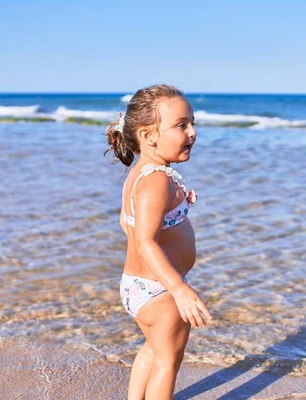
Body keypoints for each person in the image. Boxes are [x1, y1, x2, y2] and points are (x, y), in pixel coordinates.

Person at [105, 84, 212, 399]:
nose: (192, 132)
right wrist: (179, 289)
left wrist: (177, 210)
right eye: (181, 125)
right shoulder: (157, 182)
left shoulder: (142, 174)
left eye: (192, 123)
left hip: (138, 285)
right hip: (160, 290)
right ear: (149, 136)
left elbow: (128, 221)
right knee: (168, 361)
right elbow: (146, 242)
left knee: (153, 350)